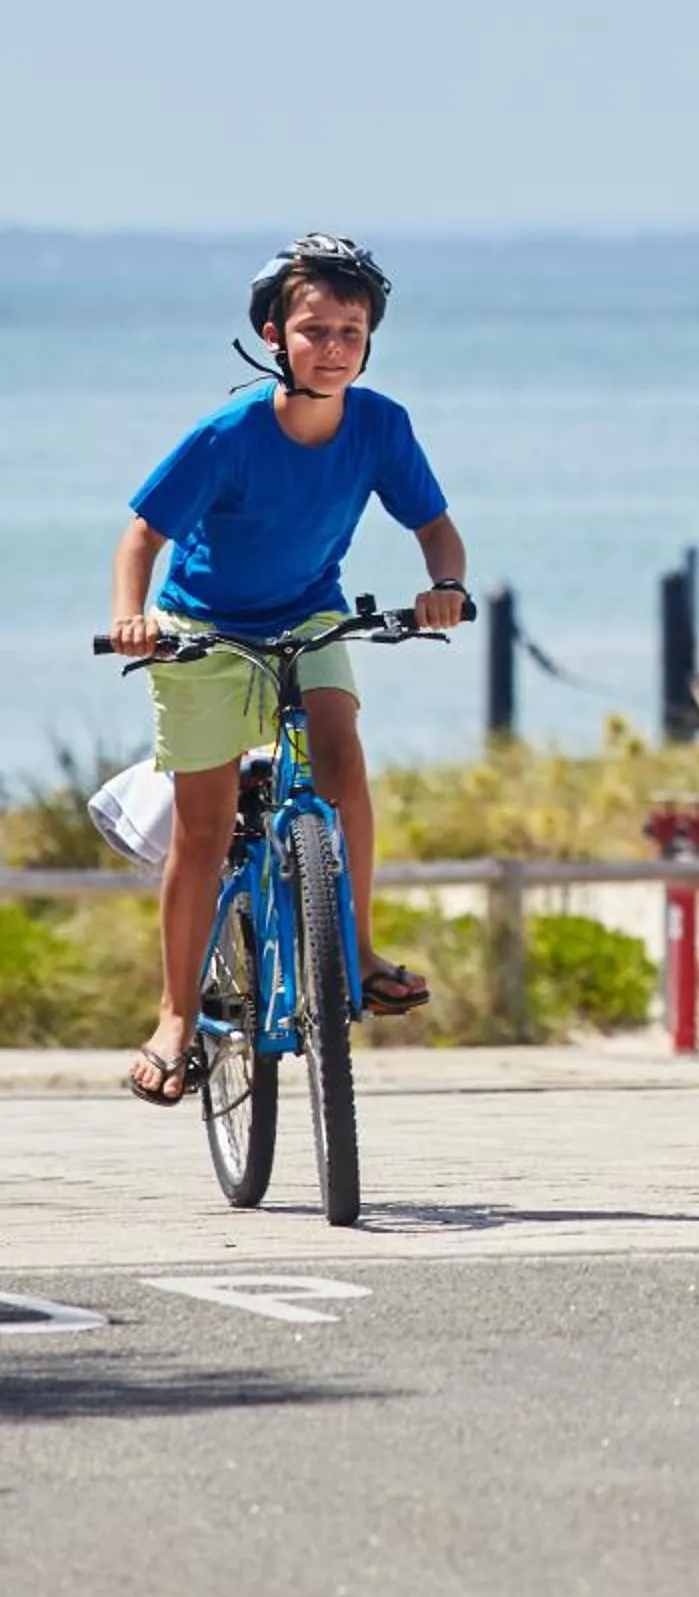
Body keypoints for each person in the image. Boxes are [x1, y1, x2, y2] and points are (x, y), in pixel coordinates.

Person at [106, 234, 469, 1107]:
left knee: (343, 760)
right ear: (275, 334)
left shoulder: (381, 424)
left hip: (310, 613)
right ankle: (175, 1018)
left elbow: (435, 527)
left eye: (351, 330)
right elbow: (143, 535)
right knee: (203, 829)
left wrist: (445, 585)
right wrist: (132, 616)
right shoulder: (227, 433)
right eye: (315, 329)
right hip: (201, 627)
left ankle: (358, 951)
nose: (334, 346)